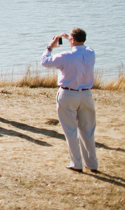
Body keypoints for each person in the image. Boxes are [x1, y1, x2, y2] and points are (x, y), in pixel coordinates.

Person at [41, 28, 98, 173]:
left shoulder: (65, 56)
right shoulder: (90, 53)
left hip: (68, 94)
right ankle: (92, 163)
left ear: (72, 40)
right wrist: (71, 39)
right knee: (88, 130)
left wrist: (50, 47)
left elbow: (45, 62)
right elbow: (83, 47)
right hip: (86, 95)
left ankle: (76, 163)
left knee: (71, 130)